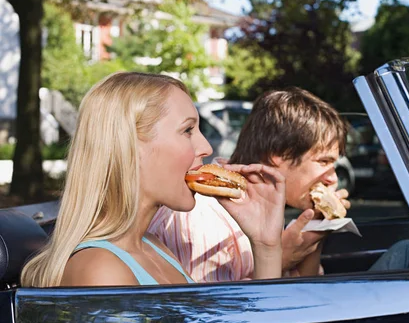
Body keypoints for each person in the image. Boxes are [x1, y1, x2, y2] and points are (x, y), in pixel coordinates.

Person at [20, 72, 286, 287]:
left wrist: (266, 245)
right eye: (188, 130)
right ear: (130, 148)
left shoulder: (154, 248)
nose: (206, 147)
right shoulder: (101, 270)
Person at [149, 87, 409, 281]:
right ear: (279, 157)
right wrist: (279, 256)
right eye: (323, 161)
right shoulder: (196, 214)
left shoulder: (266, 200)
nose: (332, 177)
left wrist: (316, 234)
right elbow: (214, 316)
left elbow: (307, 291)